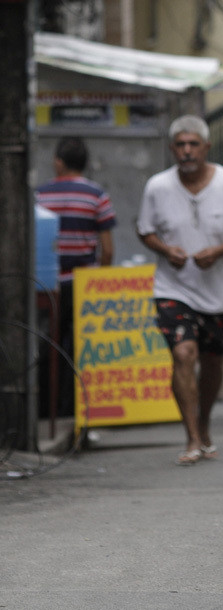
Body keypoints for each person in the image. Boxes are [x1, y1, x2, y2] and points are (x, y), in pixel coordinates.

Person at [136, 115, 223, 466]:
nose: (187, 151)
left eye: (193, 144)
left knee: (212, 362)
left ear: (206, 147)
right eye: (180, 144)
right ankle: (191, 436)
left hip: (221, 293)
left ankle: (204, 425)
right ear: (172, 148)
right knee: (183, 354)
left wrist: (218, 252)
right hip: (173, 287)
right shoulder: (157, 187)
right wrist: (165, 250)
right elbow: (145, 230)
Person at [34, 136, 116, 418]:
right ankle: (74, 411)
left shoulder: (40, 195)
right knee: (81, 348)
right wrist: (101, 282)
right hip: (85, 284)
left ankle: (47, 409)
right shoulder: (96, 195)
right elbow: (107, 250)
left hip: (48, 284)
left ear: (58, 161)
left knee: (47, 345)